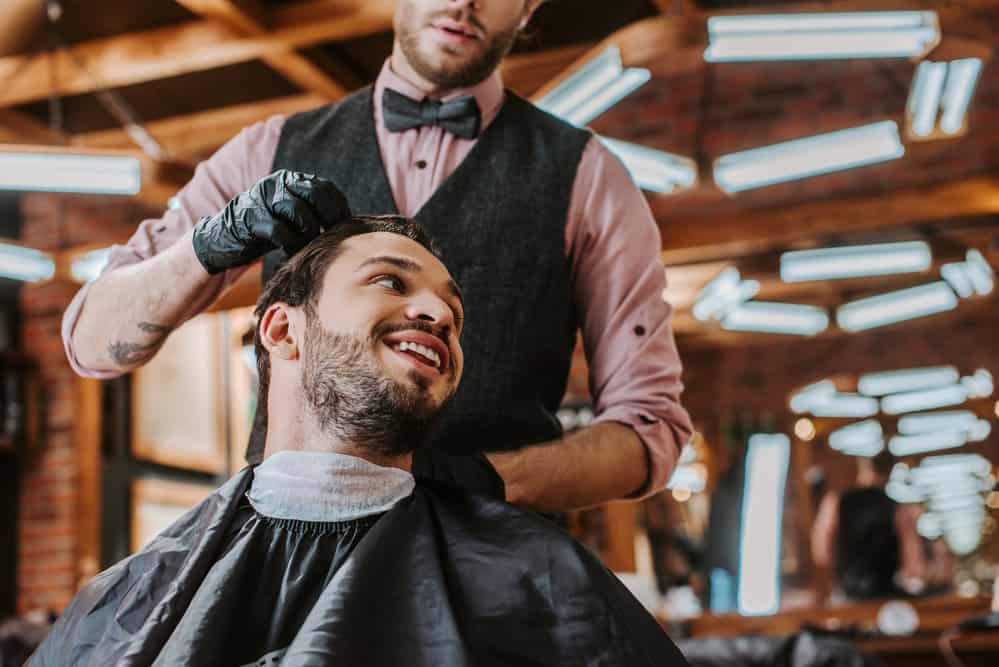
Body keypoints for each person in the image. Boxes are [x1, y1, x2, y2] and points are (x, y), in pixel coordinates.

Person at [62, 0, 692, 511]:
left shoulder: (588, 179)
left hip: (495, 581)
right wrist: (208, 245)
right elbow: (91, 343)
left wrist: (489, 482)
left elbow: (648, 433)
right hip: (288, 569)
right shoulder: (270, 148)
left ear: (529, 8)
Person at [32, 219, 689, 666]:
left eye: (452, 313)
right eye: (390, 281)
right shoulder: (130, 595)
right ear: (283, 331)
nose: (437, 315)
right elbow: (90, 334)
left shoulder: (542, 581)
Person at [811, 452, 926, 600]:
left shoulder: (835, 501)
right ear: (890, 472)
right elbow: (913, 561)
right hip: (885, 594)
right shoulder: (898, 509)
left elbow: (822, 552)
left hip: (847, 595)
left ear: (862, 468)